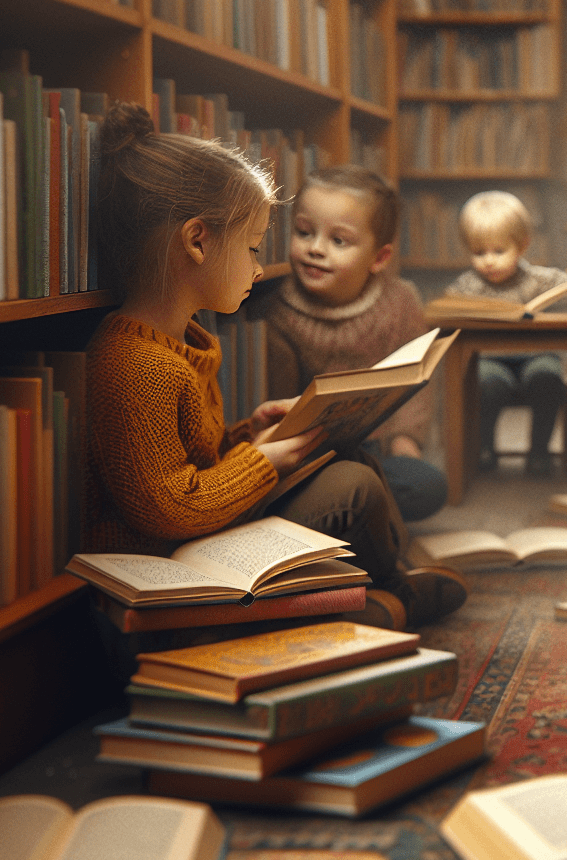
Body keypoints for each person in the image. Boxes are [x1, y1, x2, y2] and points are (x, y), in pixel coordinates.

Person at [86, 107, 464, 631]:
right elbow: (168, 507)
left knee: (345, 454)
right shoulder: (137, 364)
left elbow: (198, 460)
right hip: (173, 560)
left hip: (206, 529)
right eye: (252, 247)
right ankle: (392, 593)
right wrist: (262, 462)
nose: (261, 267)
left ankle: (380, 590)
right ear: (197, 242)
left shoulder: (179, 345)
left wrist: (250, 433)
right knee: (354, 485)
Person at [244, 165, 447, 524]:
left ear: (379, 259)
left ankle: (351, 513)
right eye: (304, 233)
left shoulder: (400, 301)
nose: (316, 250)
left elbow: (416, 381)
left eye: (338, 241)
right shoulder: (273, 309)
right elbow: (274, 398)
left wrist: (406, 441)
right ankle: (347, 513)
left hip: (378, 448)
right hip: (310, 452)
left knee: (425, 486)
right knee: (311, 488)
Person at [441, 190, 567, 475]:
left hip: (537, 356)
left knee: (548, 378)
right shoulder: (466, 286)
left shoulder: (539, 278)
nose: (488, 261)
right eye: (479, 252)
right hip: (489, 359)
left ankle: (539, 451)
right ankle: (485, 449)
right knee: (486, 382)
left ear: (522, 246)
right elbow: (444, 312)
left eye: (499, 251)